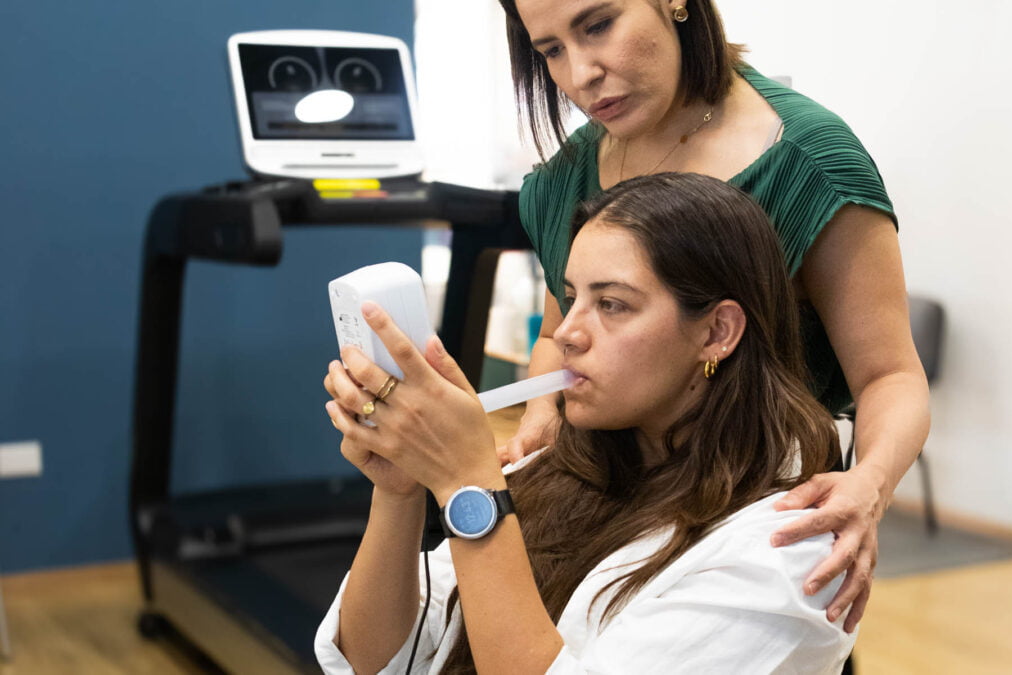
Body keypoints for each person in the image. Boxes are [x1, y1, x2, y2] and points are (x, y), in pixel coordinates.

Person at [496, 0, 931, 631]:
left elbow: (890, 374)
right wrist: (542, 413)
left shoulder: (807, 164)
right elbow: (565, 323)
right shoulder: (570, 172)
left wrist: (870, 485)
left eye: (598, 26)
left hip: (747, 533)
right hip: (605, 521)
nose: (579, 74)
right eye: (551, 50)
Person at [317, 173, 857, 673]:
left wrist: (468, 485)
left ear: (717, 332)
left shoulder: (787, 552)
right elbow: (372, 661)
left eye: (613, 305)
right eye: (572, 298)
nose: (568, 334)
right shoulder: (558, 467)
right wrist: (400, 493)